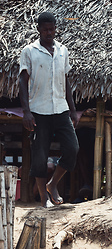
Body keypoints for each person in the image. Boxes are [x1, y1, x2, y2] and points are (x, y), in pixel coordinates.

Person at [19, 12, 79, 208]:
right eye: (45, 29)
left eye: (51, 29)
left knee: (72, 147)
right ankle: (44, 200)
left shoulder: (63, 50)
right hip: (38, 110)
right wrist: (26, 112)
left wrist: (72, 109)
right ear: (39, 29)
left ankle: (52, 184)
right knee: (40, 156)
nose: (49, 32)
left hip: (60, 108)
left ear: (55, 28)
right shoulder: (29, 51)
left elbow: (66, 80)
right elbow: (22, 80)